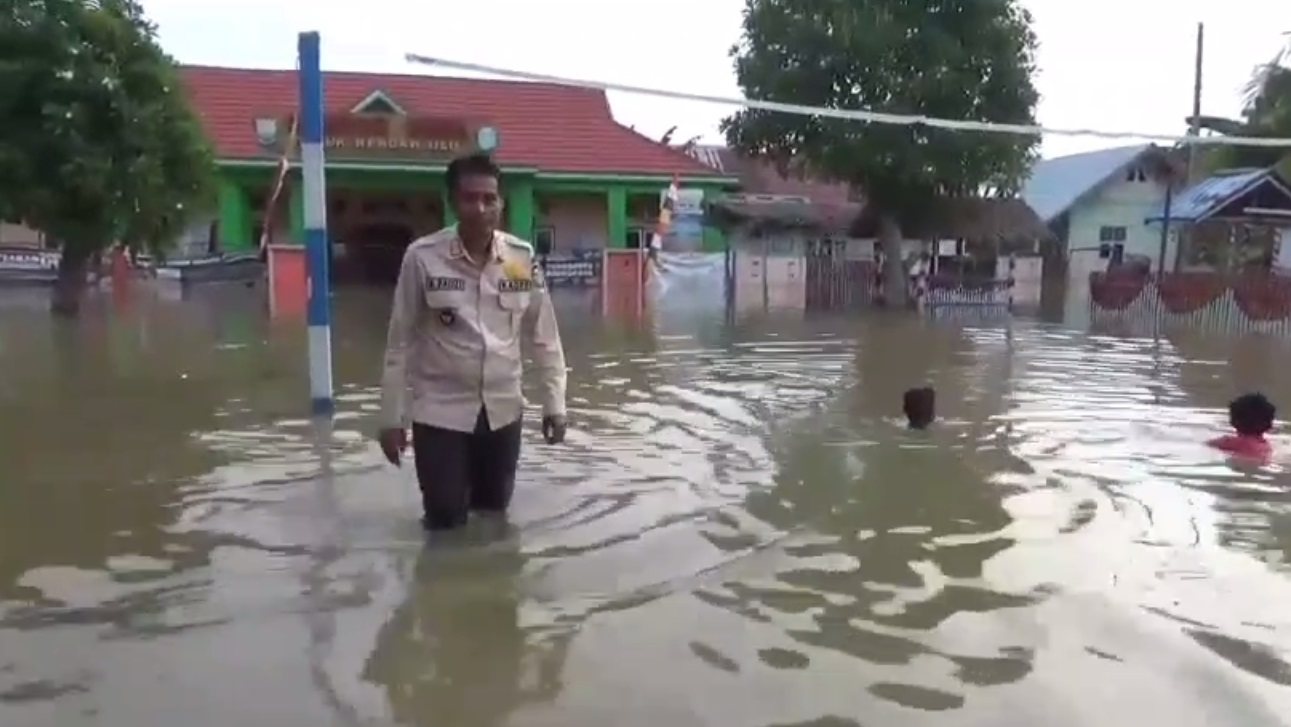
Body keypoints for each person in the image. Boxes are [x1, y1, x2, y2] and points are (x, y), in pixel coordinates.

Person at [377, 153, 568, 531]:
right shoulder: (423, 258)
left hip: (503, 412)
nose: (480, 209)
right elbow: (400, 341)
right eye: (469, 198)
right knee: (445, 518)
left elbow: (544, 336)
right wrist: (390, 418)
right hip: (440, 414)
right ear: (452, 202)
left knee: (494, 515)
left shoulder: (517, 258)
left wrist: (554, 405)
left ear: (501, 203)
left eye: (489, 199)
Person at [1208, 392, 1275, 459]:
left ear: (1233, 421)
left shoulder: (1230, 442)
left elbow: (1206, 445)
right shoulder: (1266, 447)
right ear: (1269, 425)